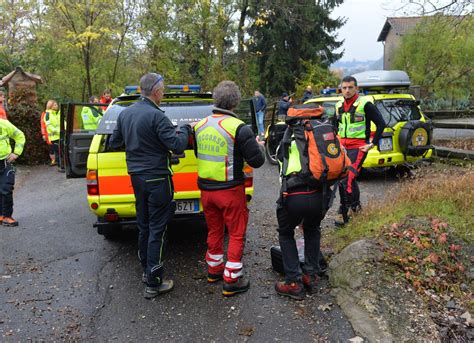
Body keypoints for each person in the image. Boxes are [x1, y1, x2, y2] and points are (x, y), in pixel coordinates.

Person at [110, 73, 192, 299]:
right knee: (158, 228)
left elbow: (114, 142)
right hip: (157, 177)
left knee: (144, 224)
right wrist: (184, 129)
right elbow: (176, 145)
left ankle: (147, 272)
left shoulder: (125, 114)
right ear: (156, 91)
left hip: (136, 176)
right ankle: (154, 283)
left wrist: (136, 145)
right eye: (163, 90)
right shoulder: (158, 116)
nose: (163, 94)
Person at [194, 81, 265, 297]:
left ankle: (214, 270)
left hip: (206, 191)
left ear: (216, 100)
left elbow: (199, 154)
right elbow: (258, 161)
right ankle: (232, 279)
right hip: (230, 190)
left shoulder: (200, 125)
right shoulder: (239, 128)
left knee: (214, 230)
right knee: (236, 233)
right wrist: (258, 146)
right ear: (235, 102)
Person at [274, 131, 326, 300]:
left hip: (294, 194)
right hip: (319, 195)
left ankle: (293, 283)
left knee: (286, 233)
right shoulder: (321, 138)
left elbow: (280, 162)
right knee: (312, 229)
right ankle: (310, 275)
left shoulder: (288, 140)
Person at [334, 76, 386, 225]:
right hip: (342, 148)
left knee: (348, 178)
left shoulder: (365, 104)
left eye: (350, 87)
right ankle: (356, 207)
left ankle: (345, 210)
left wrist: (372, 144)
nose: (347, 90)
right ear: (341, 89)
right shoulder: (338, 105)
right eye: (344, 88)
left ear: (356, 88)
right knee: (342, 178)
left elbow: (381, 124)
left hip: (359, 147)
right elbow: (334, 127)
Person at [0, 119, 26, 226]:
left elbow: (20, 135)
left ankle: (6, 216)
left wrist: (16, 153)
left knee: (6, 189)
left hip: (5, 163)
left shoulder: (3, 123)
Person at [44, 100, 63, 171]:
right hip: (54, 137)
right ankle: (60, 166)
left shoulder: (58, 113)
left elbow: (63, 122)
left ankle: (62, 165)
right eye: (54, 105)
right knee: (58, 152)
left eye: (56, 104)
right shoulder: (47, 115)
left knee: (62, 152)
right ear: (50, 106)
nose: (56, 106)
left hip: (61, 135)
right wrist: (58, 131)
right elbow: (49, 126)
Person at [41, 101, 55, 165]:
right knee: (51, 148)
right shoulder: (44, 114)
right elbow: (43, 125)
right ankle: (53, 160)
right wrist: (43, 134)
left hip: (57, 134)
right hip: (49, 134)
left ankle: (57, 160)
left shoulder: (56, 113)